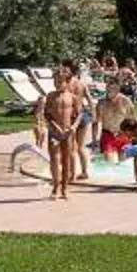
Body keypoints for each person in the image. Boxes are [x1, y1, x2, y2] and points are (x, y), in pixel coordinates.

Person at [36, 69, 88, 199]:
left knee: (66, 160)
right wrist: (55, 126)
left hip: (68, 132)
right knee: (54, 159)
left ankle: (65, 188)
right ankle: (55, 187)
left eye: (60, 81)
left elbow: (79, 114)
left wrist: (74, 127)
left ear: (67, 82)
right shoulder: (50, 96)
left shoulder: (73, 97)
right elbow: (47, 114)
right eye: (55, 81)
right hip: (54, 132)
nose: (57, 84)